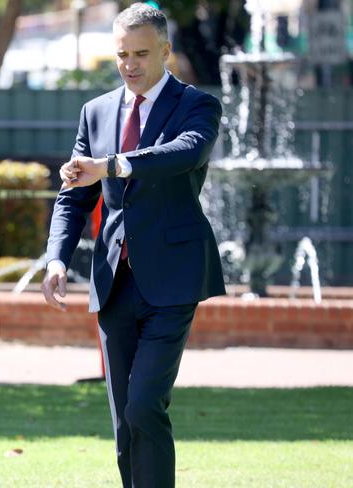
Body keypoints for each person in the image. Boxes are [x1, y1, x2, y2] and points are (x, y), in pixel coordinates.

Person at [41, 4, 226, 488]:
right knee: (125, 418)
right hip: (113, 284)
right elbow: (73, 195)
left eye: (142, 53)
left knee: (146, 403)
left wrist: (115, 164)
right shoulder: (96, 111)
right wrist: (57, 257)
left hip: (173, 280)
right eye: (122, 54)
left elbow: (186, 152)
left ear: (166, 50)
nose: (130, 64)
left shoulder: (197, 105)